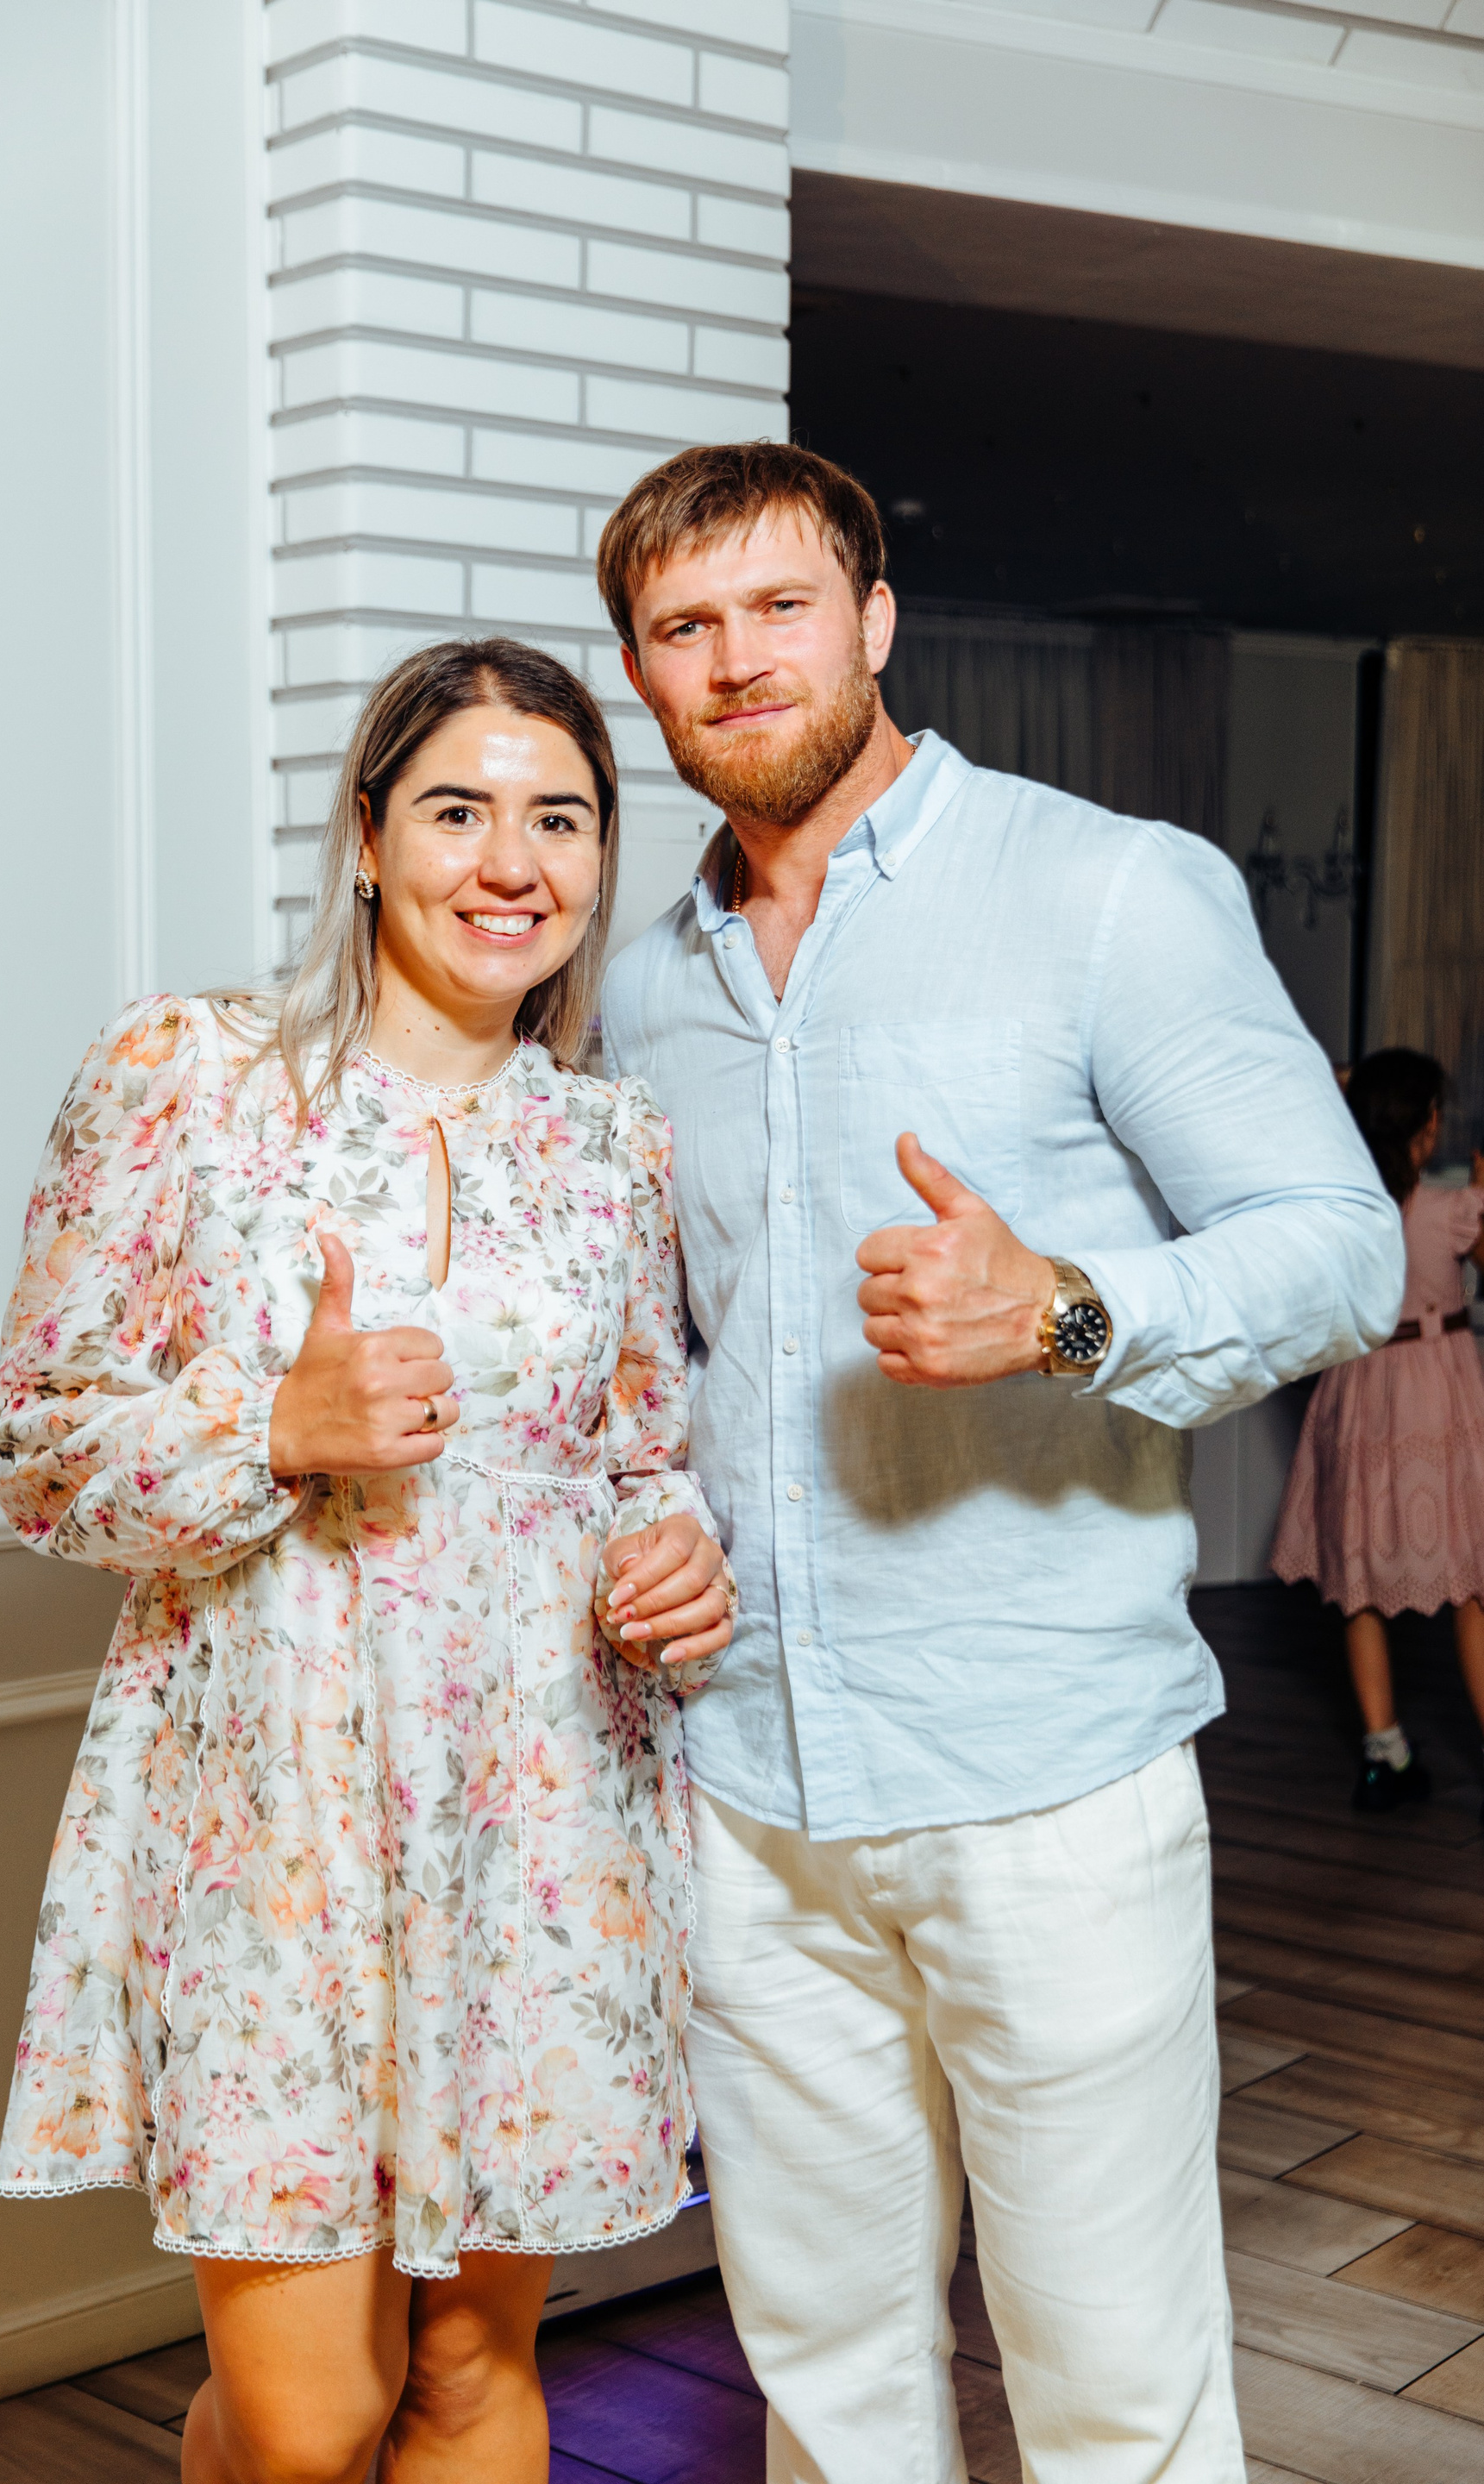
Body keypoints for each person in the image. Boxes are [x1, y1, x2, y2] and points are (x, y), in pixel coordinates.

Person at [595, 442, 1404, 2483]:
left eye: (782, 607)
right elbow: (660, 1355)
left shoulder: (1104, 889)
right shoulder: (638, 989)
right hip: (747, 1789)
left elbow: (1344, 1250)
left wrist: (1061, 1308)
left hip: (1042, 1773)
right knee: (825, 2381)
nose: (737, 658)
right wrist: (644, 1518)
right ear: (642, 671)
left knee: (1115, 2386)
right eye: (685, 626)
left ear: (875, 623)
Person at [0, 639, 735, 2484]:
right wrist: (273, 1429)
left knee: (472, 2377)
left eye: (561, 820)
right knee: (309, 2422)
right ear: (370, 837)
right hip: (275, 1818)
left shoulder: (612, 1141)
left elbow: (644, 1447)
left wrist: (676, 1558)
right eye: (458, 811)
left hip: (543, 1819)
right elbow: (34, 1436)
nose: (510, 864)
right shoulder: (189, 1073)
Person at [1273, 1046, 1484, 1816]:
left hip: (1361, 1388)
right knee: (1473, 1581)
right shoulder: (1453, 1209)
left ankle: (1383, 1751)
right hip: (1441, 1387)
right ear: (1426, 1129)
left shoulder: (1342, 1213)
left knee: (1358, 1579)